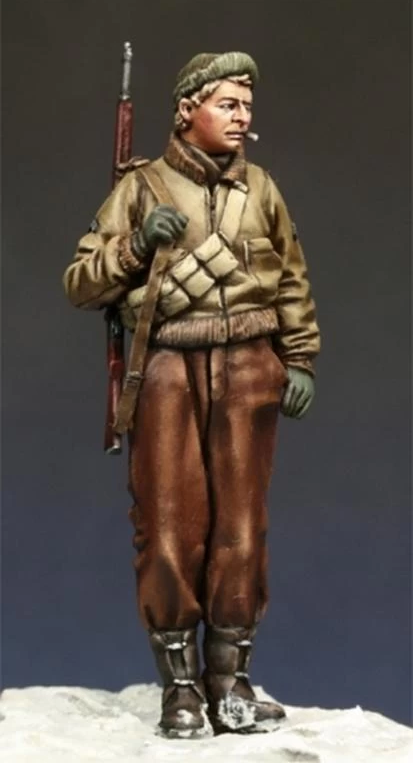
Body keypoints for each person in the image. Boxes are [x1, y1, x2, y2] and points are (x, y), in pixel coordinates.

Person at [63, 51, 321, 738]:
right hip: (169, 370)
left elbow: (291, 277)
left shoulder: (260, 189)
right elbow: (81, 283)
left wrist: (299, 358)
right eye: (227, 104)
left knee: (243, 528)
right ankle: (179, 688)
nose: (241, 118)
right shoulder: (140, 188)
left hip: (249, 369)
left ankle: (230, 681)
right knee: (169, 526)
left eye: (246, 107)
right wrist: (136, 245)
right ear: (187, 110)